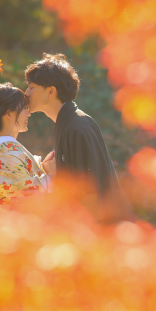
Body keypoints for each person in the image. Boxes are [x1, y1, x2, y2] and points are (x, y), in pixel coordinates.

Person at [24, 53, 134, 222]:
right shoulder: (68, 123)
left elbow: (91, 190)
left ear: (51, 91)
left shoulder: (78, 125)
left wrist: (56, 176)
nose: (26, 93)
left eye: (31, 87)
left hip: (105, 233)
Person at [0, 82, 53, 211]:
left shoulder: (7, 155)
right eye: (24, 108)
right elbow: (32, 201)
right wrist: (52, 174)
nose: (29, 113)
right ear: (8, 114)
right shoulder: (9, 157)